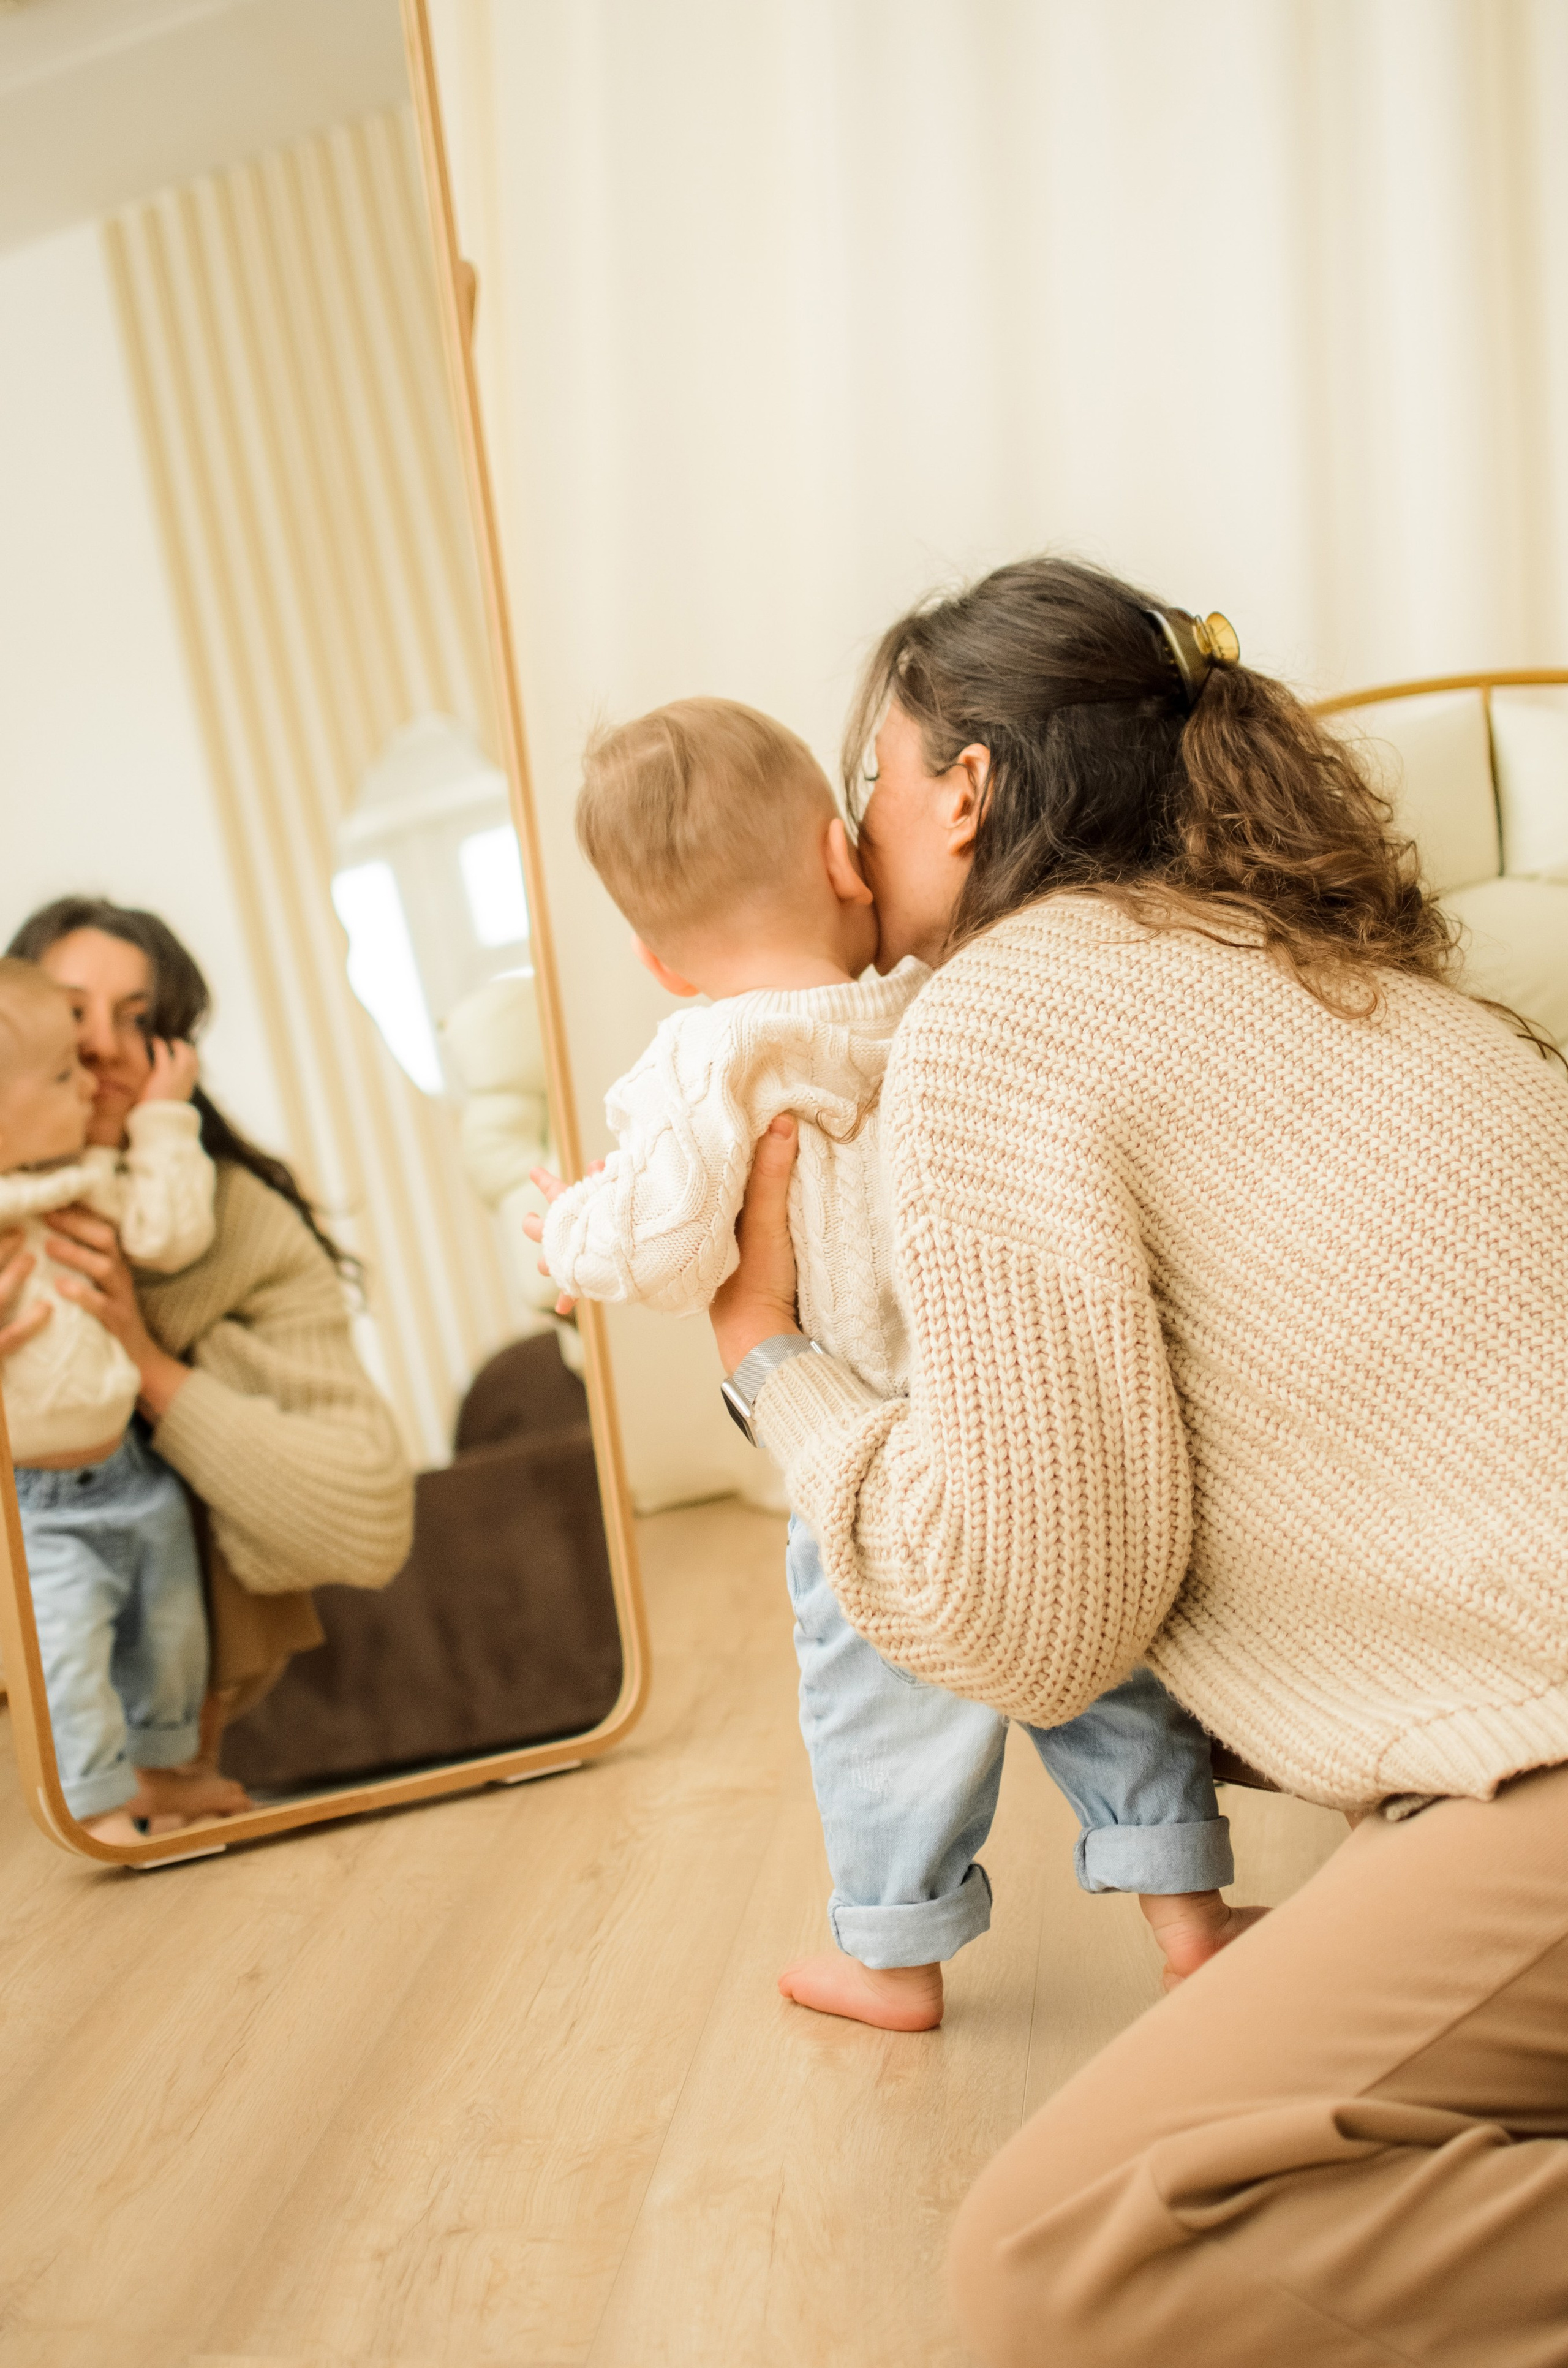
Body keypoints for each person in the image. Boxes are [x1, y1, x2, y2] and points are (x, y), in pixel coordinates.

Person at [708, 556, 1568, 2362]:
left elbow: (1033, 1619)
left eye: (870, 773)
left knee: (1073, 2254)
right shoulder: (1358, 970)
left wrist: (767, 1364)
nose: (849, 835)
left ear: (967, 787)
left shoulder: (1007, 1013)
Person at [527, 694, 1251, 2033]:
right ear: (840, 856)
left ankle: (895, 1954)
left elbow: (671, 1246)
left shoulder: (701, 1060)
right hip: (1011, 1414)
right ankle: (1185, 1911)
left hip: (856, 1455)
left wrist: (562, 1230)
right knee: (1092, 1654)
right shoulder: (935, 998)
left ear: (655, 960)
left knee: (873, 1714)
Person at [1, 899, 416, 1812]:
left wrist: (145, 1362)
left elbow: (372, 1516)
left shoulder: (234, 1223)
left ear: (172, 1055)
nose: (104, 1046)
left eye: (138, 1018)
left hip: (167, 1637)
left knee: (171, 1462)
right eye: (73, 1016)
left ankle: (167, 1762)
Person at [0, 958, 216, 1840]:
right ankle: (95, 1801)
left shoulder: (92, 1178)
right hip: (37, 1508)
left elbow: (171, 1228)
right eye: (63, 1073)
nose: (91, 1079)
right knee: (68, 1660)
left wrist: (164, 1118)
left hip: (130, 1471)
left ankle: (162, 1771)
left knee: (172, 1634)